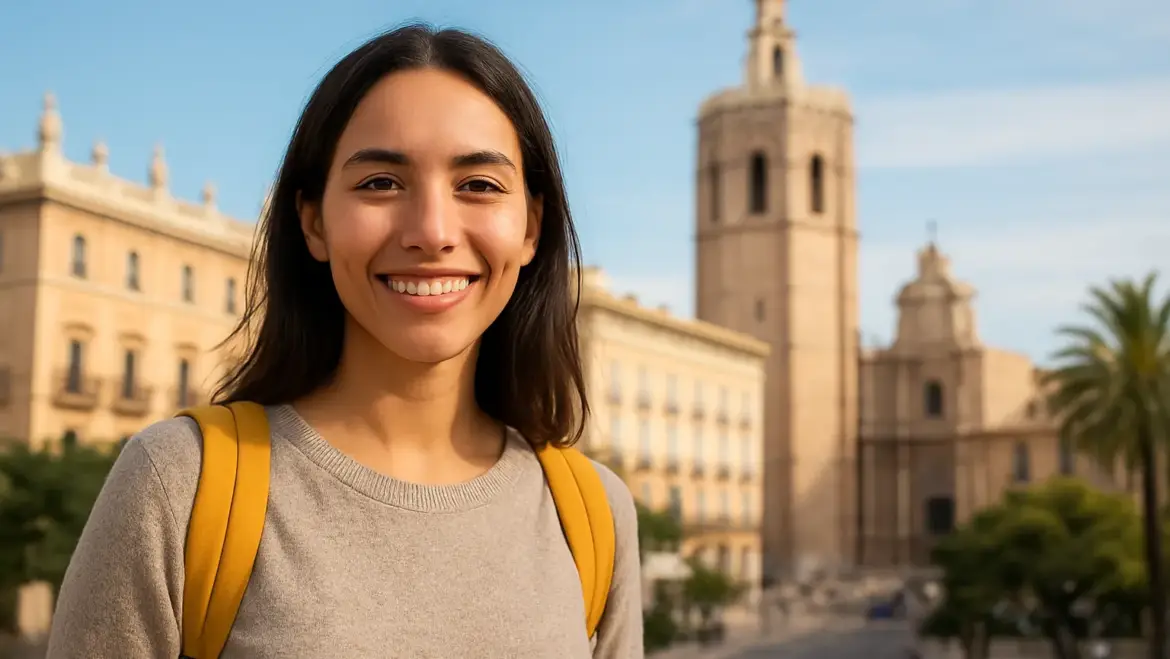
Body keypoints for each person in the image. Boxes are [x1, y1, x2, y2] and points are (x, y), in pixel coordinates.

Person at [46, 23, 643, 658]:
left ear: (531, 228)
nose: (432, 231)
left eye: (478, 185)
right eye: (380, 182)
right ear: (313, 222)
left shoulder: (593, 515)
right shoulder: (177, 483)